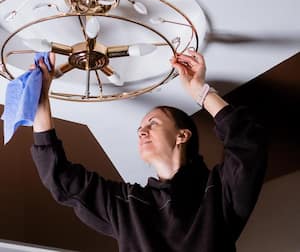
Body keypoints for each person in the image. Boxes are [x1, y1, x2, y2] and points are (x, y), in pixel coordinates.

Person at [31, 50, 267, 252]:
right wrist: (41, 101)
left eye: (152, 123)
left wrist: (200, 92)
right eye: (140, 128)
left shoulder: (218, 192)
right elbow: (59, 177)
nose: (142, 132)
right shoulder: (128, 205)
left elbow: (248, 144)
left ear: (182, 135)